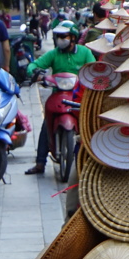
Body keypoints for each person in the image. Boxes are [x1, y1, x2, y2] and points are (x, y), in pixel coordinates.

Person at [24, 21, 96, 175]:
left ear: (73, 37)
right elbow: (35, 64)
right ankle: (40, 163)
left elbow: (93, 69)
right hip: (57, 94)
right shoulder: (54, 53)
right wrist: (35, 73)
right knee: (46, 125)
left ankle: (89, 163)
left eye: (64, 36)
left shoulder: (85, 52)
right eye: (58, 36)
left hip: (79, 96)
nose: (60, 39)